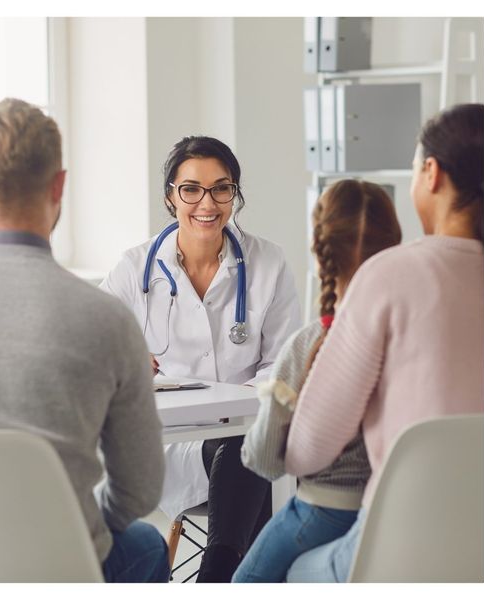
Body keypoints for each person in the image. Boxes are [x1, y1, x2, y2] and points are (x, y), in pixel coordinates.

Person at [0, 98, 169, 583]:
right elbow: (140, 491)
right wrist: (76, 530)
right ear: (59, 185)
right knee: (145, 543)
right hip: (63, 566)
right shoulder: (109, 320)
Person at [283, 102, 484, 583]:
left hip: (402, 541)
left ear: (431, 174)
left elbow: (307, 448)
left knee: (291, 574)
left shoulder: (389, 276)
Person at [100, 135, 302, 581]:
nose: (206, 202)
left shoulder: (268, 264)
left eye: (221, 188)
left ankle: (215, 577)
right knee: (252, 457)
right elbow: (93, 349)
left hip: (248, 437)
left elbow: (284, 365)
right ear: (171, 196)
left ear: (235, 193)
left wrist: (239, 406)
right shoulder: (135, 269)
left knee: (247, 444)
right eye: (191, 189)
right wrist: (128, 361)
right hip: (169, 445)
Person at [232, 179, 402, 582]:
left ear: (319, 252)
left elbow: (263, 461)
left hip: (320, 512)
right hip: (390, 513)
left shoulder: (309, 346)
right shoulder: (408, 341)